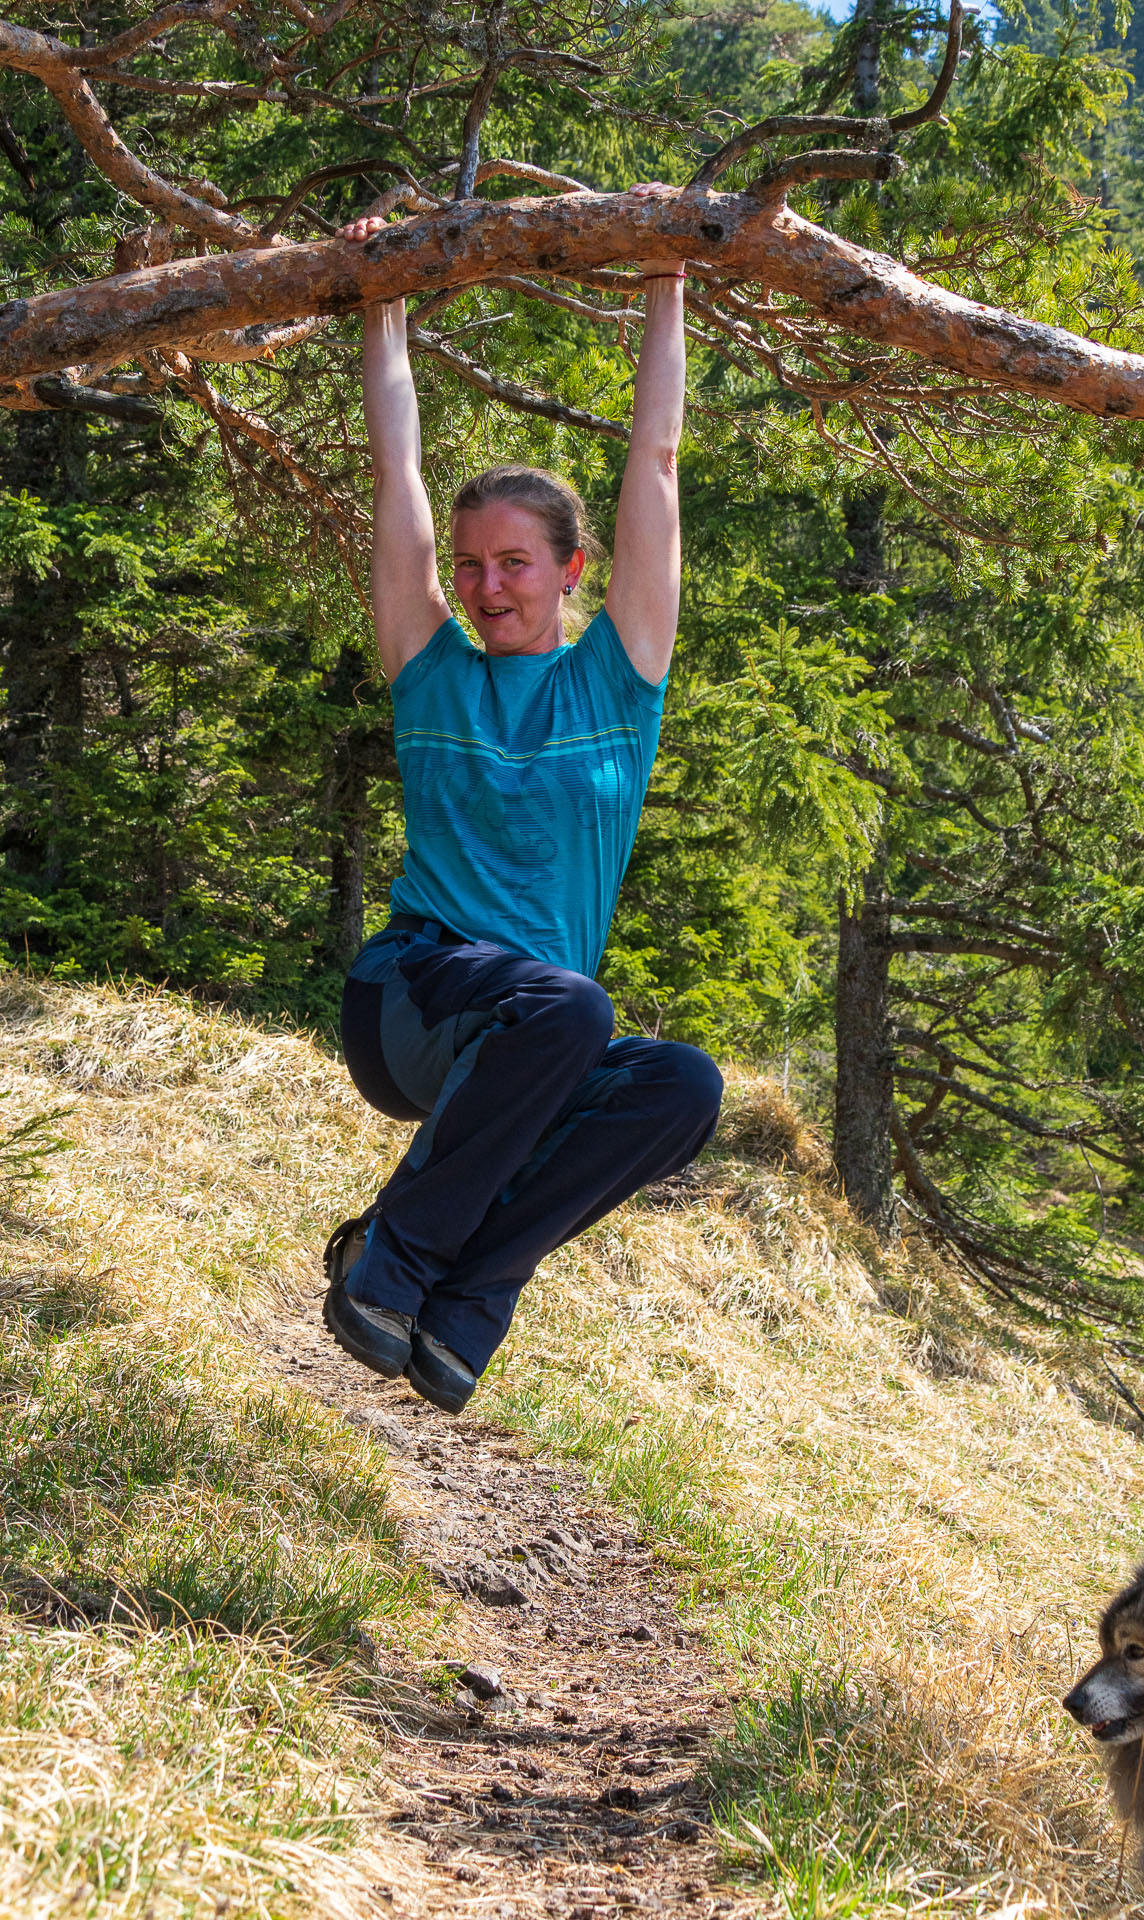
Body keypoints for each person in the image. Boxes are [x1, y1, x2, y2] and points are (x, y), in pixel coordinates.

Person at [323, 188, 724, 1415]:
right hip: (413, 999)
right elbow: (396, 464)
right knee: (572, 1010)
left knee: (680, 1086)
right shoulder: (429, 665)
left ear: (569, 571)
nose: (490, 588)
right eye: (473, 565)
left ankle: (462, 1301)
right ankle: (384, 1261)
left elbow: (652, 462)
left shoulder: (620, 678)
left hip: (537, 1042)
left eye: (515, 564)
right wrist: (382, 301)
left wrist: (666, 289)